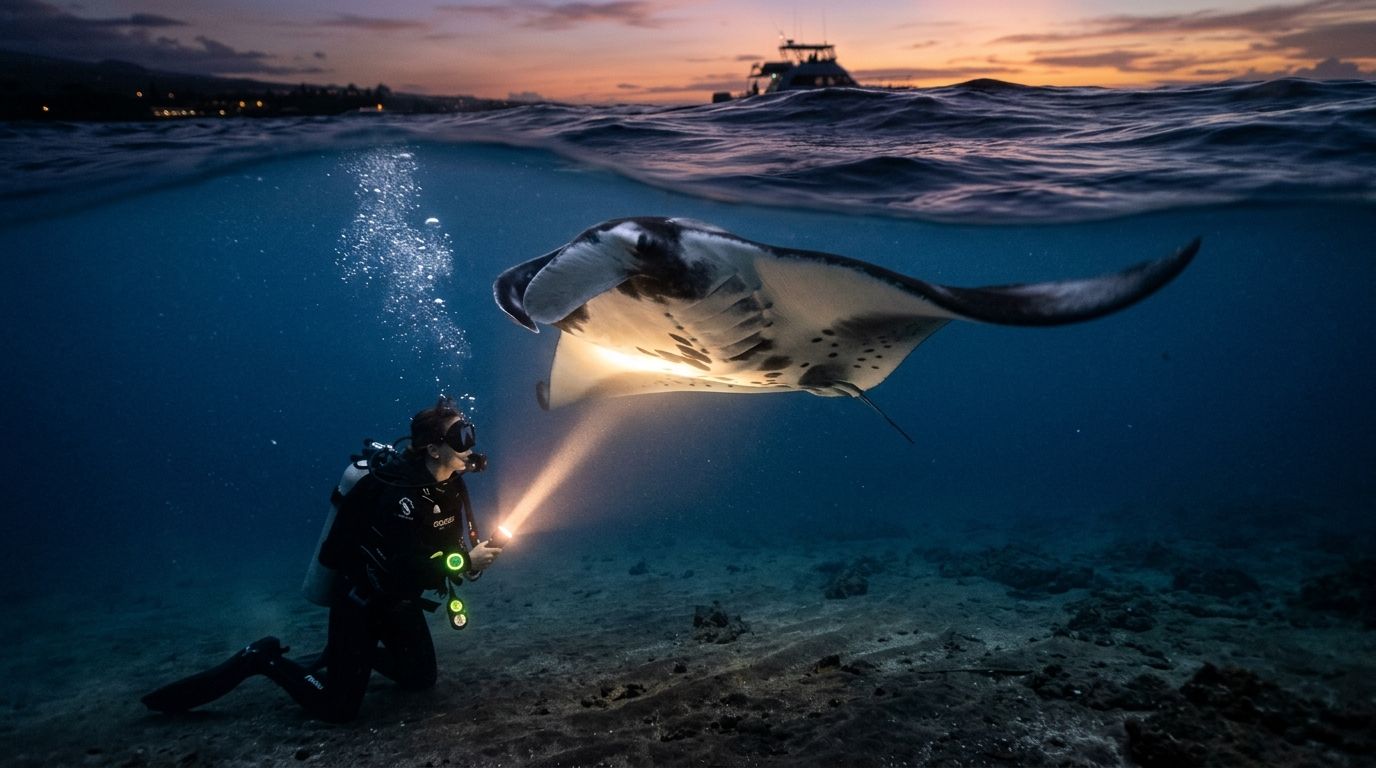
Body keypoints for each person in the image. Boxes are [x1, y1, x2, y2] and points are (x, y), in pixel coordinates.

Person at [141, 396, 503, 722]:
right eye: (460, 438)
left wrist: (464, 559)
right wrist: (465, 562)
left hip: (400, 601)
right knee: (338, 709)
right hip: (361, 602)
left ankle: (345, 657)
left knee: (420, 679)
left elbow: (434, 553)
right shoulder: (398, 494)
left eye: (469, 434)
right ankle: (263, 659)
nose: (470, 447)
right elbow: (400, 565)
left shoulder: (452, 485)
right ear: (433, 448)